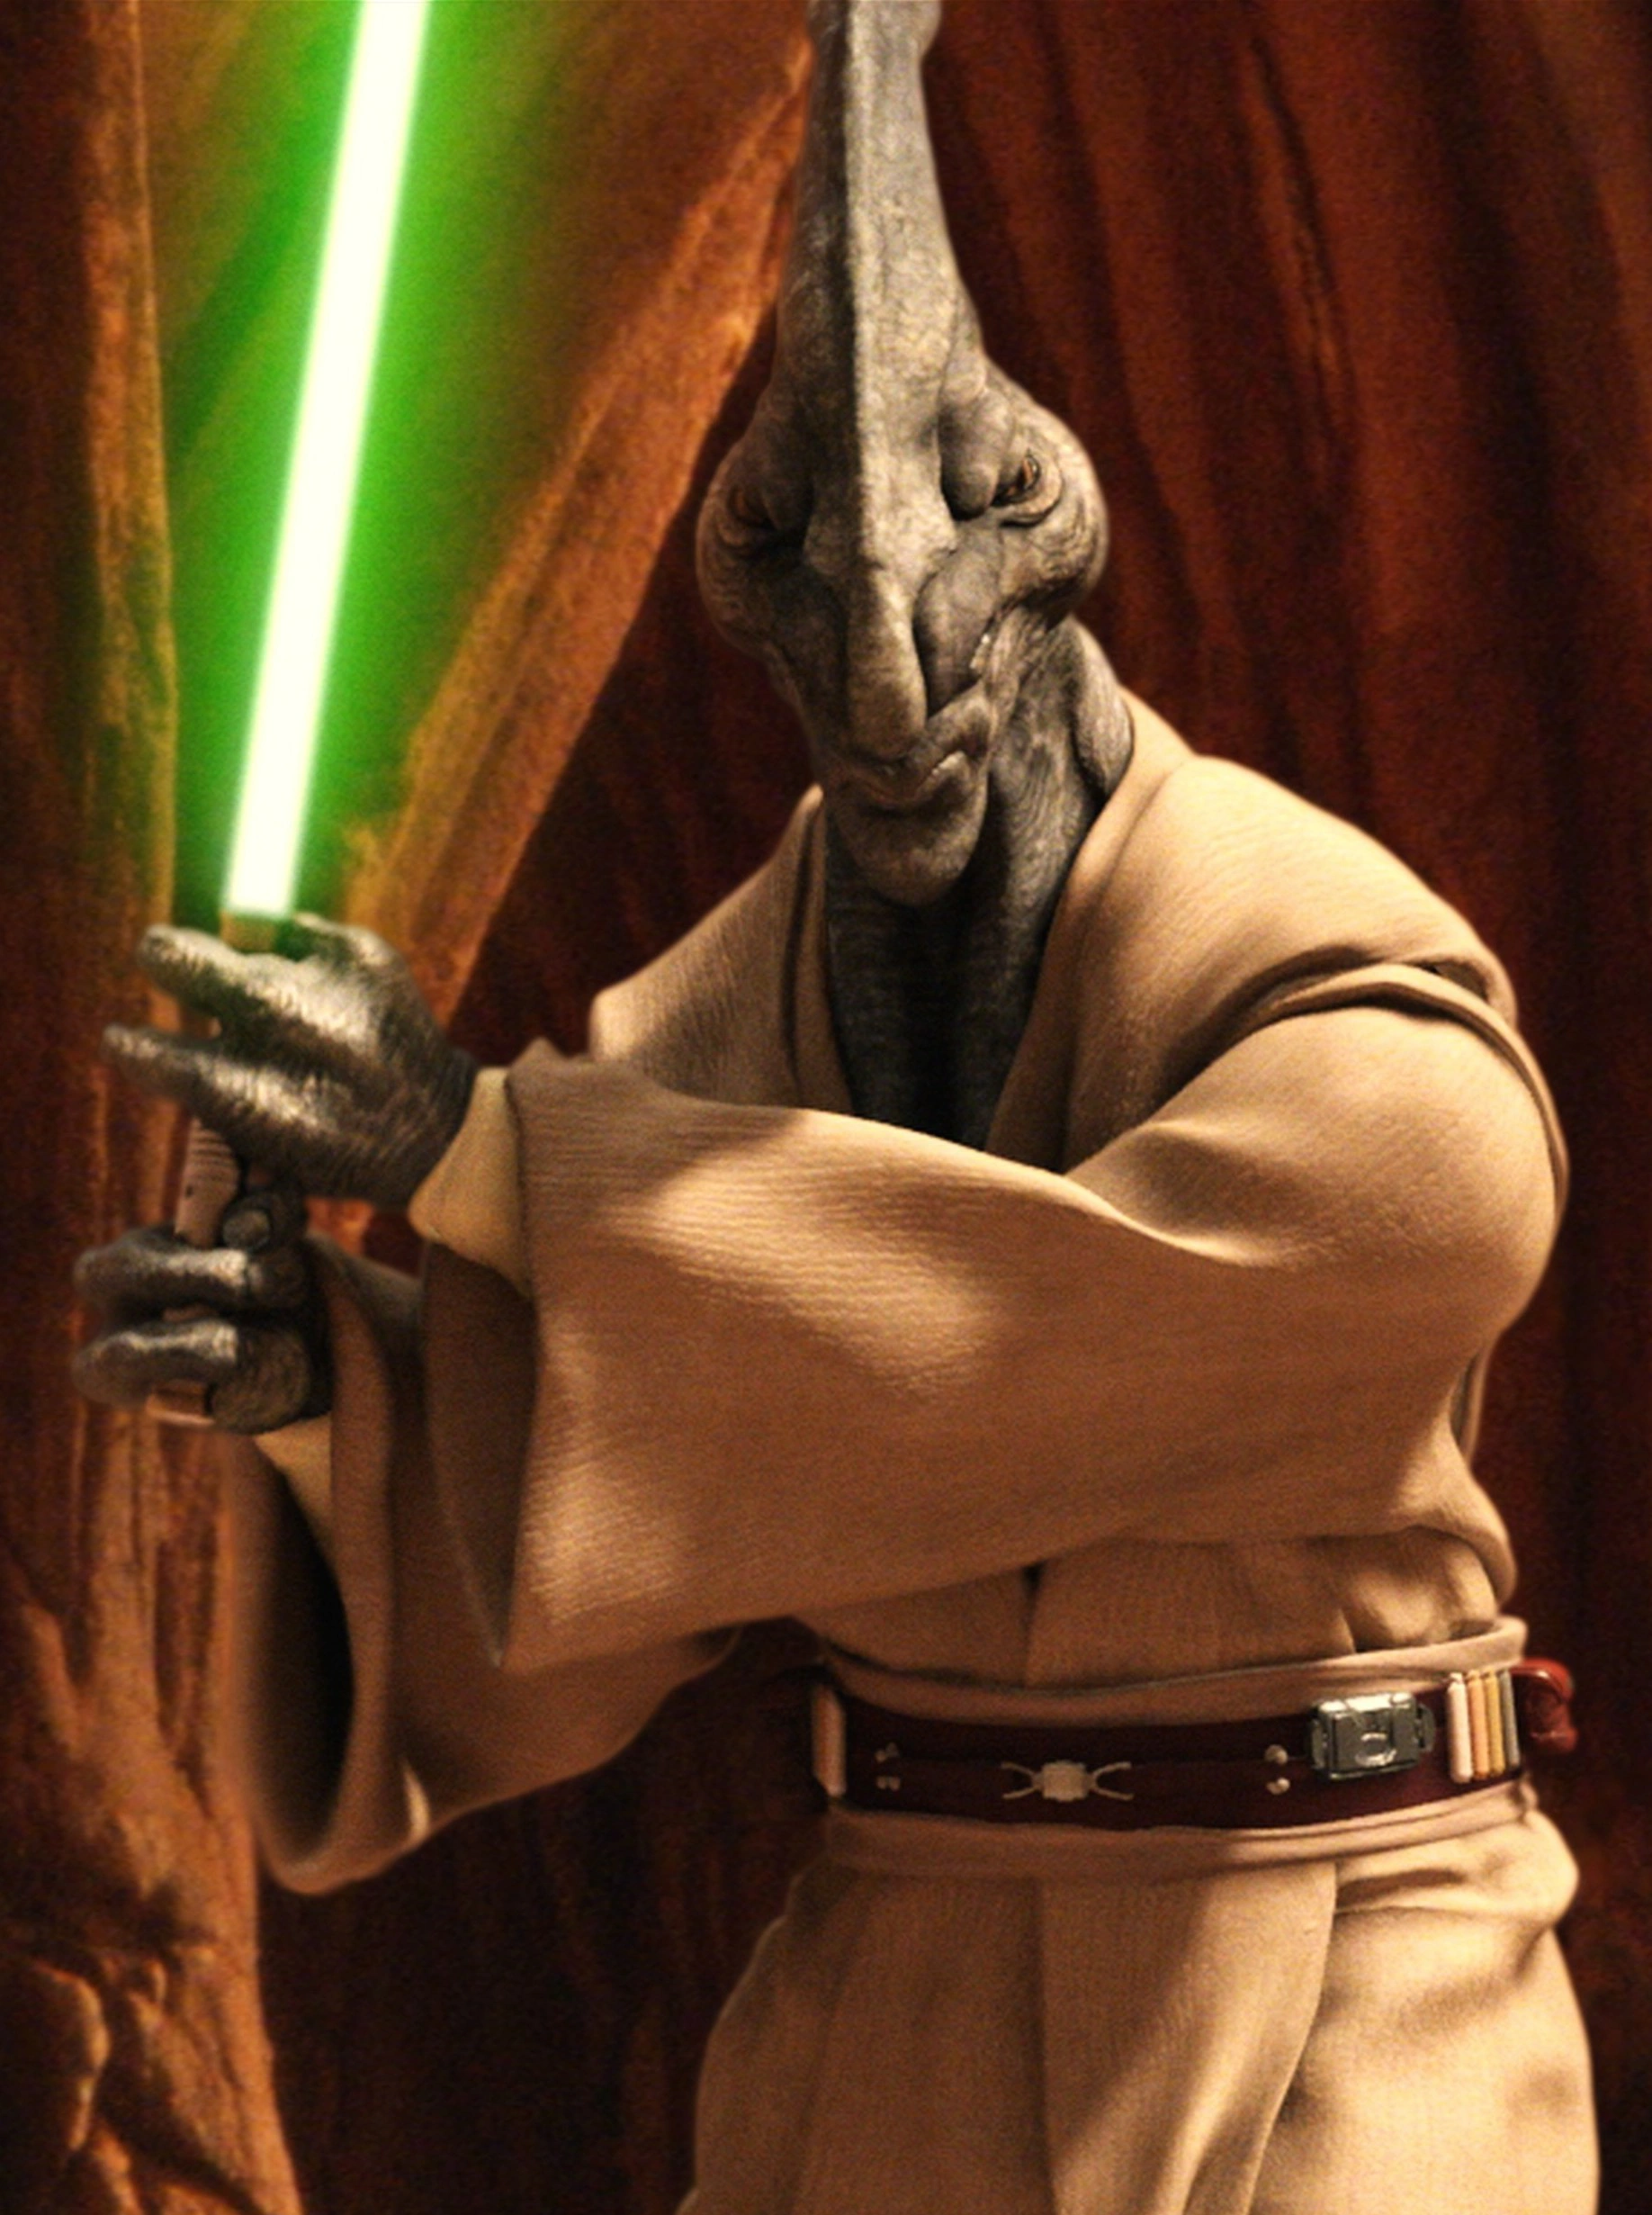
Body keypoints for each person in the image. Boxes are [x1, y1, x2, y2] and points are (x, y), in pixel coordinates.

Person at [75, 3, 1596, 2208]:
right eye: (808, 597)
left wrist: (484, 1159)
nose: (885, 684)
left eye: (954, 576)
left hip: (1347, 1978)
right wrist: (331, 1394)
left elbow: (1286, 1261)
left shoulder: (1329, 976)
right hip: (899, 1996)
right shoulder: (740, 1009)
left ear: (1053, 560)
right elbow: (579, 1520)